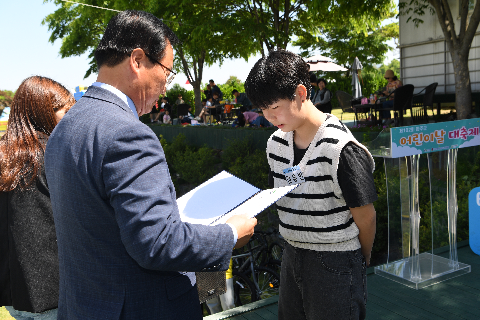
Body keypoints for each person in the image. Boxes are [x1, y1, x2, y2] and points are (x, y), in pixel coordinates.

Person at [44, 10, 256, 320]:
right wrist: (229, 234)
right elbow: (157, 242)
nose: (166, 86)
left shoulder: (67, 125)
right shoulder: (127, 133)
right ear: (138, 60)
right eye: (167, 73)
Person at [245, 49, 377, 320]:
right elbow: (278, 192)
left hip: (336, 258)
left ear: (301, 93)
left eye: (274, 107)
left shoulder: (340, 148)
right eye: (262, 109)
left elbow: (366, 216)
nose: (269, 117)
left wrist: (359, 259)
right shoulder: (276, 144)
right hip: (292, 253)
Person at [0, 76, 75, 320]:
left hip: (13, 288)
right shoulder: (54, 153)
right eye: (66, 111)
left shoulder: (4, 155)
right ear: (44, 112)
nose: (71, 118)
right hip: (55, 289)